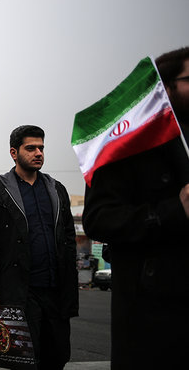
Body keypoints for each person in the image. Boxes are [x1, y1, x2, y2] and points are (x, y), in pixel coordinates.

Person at [82, 47, 189, 368]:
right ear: (166, 88)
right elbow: (98, 218)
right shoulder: (125, 146)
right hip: (155, 312)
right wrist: (174, 209)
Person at [0, 125, 78, 370]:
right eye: (30, 148)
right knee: (23, 358)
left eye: (41, 148)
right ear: (14, 153)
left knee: (58, 354)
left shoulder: (56, 189)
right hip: (20, 290)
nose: (38, 153)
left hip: (55, 289)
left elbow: (68, 237)